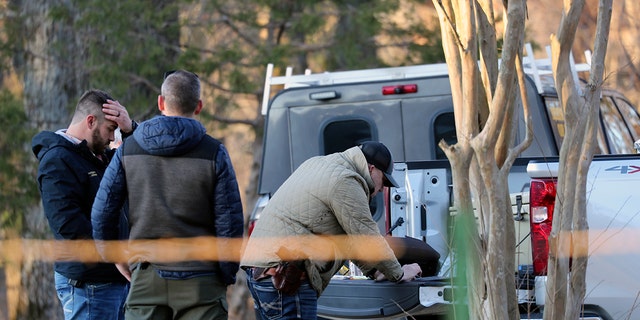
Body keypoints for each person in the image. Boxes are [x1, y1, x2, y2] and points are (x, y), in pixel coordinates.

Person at [91, 69, 244, 320]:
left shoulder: (128, 150)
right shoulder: (214, 152)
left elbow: (102, 211)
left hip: (146, 278)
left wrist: (114, 256)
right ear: (199, 106)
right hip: (202, 279)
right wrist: (225, 274)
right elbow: (229, 221)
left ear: (161, 102)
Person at [240, 141, 423, 320]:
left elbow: (349, 239)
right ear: (371, 168)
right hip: (284, 276)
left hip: (260, 272)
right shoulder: (346, 180)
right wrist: (398, 273)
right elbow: (367, 236)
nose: (383, 188)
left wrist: (375, 271)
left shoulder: (319, 164)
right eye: (384, 181)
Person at [31, 89, 136, 320]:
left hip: (117, 280)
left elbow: (142, 164)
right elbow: (69, 226)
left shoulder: (104, 156)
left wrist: (130, 130)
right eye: (111, 129)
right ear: (90, 121)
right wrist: (114, 255)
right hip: (89, 285)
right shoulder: (57, 161)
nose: (112, 138)